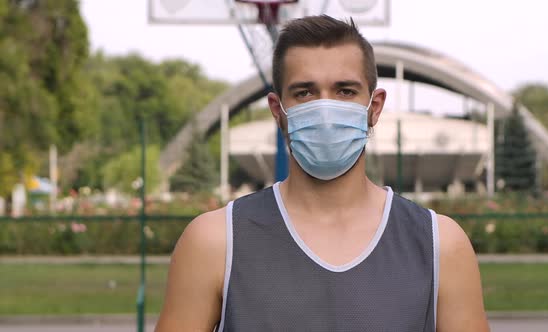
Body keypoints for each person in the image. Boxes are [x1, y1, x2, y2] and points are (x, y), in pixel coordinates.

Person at [155, 15, 489, 332]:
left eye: (345, 91)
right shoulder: (215, 241)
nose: (325, 109)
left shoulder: (440, 245)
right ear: (277, 109)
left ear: (374, 107)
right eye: (305, 93)